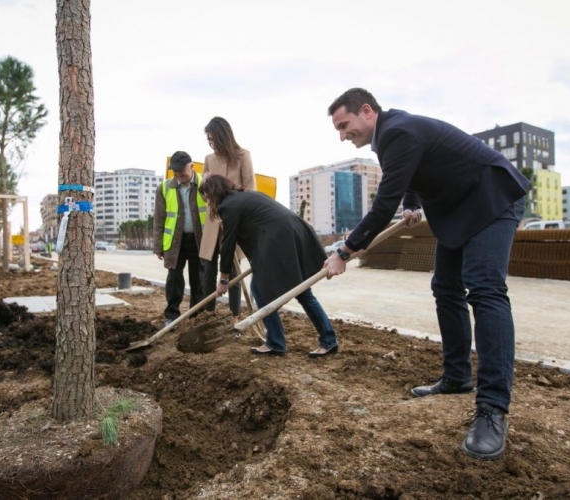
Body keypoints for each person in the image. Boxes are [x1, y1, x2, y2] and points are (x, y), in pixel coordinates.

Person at [323, 88, 528, 460]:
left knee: (485, 290)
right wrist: (412, 204)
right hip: (458, 205)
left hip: (491, 196)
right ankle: (456, 377)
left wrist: (346, 250)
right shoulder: (392, 136)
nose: (342, 135)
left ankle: (493, 410)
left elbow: (383, 202)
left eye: (344, 125)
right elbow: (415, 173)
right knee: (445, 287)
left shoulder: (398, 131)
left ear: (366, 111)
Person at [199, 175, 338, 357]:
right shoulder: (245, 197)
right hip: (295, 231)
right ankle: (328, 340)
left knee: (259, 289)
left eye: (207, 197)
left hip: (279, 238)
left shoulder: (229, 206)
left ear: (215, 193)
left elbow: (228, 245)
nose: (208, 202)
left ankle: (276, 342)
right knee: (302, 291)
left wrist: (223, 279)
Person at [199, 117, 257, 322]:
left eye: (214, 139)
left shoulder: (243, 156)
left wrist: (238, 217)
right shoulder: (209, 159)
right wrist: (204, 184)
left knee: (232, 271)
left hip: (234, 222)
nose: (211, 144)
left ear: (224, 136)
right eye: (209, 140)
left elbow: (250, 190)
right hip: (213, 222)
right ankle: (207, 316)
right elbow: (205, 194)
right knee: (208, 271)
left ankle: (235, 317)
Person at [153, 151, 206, 326]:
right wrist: (158, 246)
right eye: (175, 172)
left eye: (181, 171)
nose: (178, 175)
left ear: (191, 167)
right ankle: (172, 315)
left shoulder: (205, 184)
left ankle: (196, 316)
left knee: (198, 280)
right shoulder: (165, 187)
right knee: (174, 278)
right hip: (175, 242)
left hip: (200, 240)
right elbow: (159, 219)